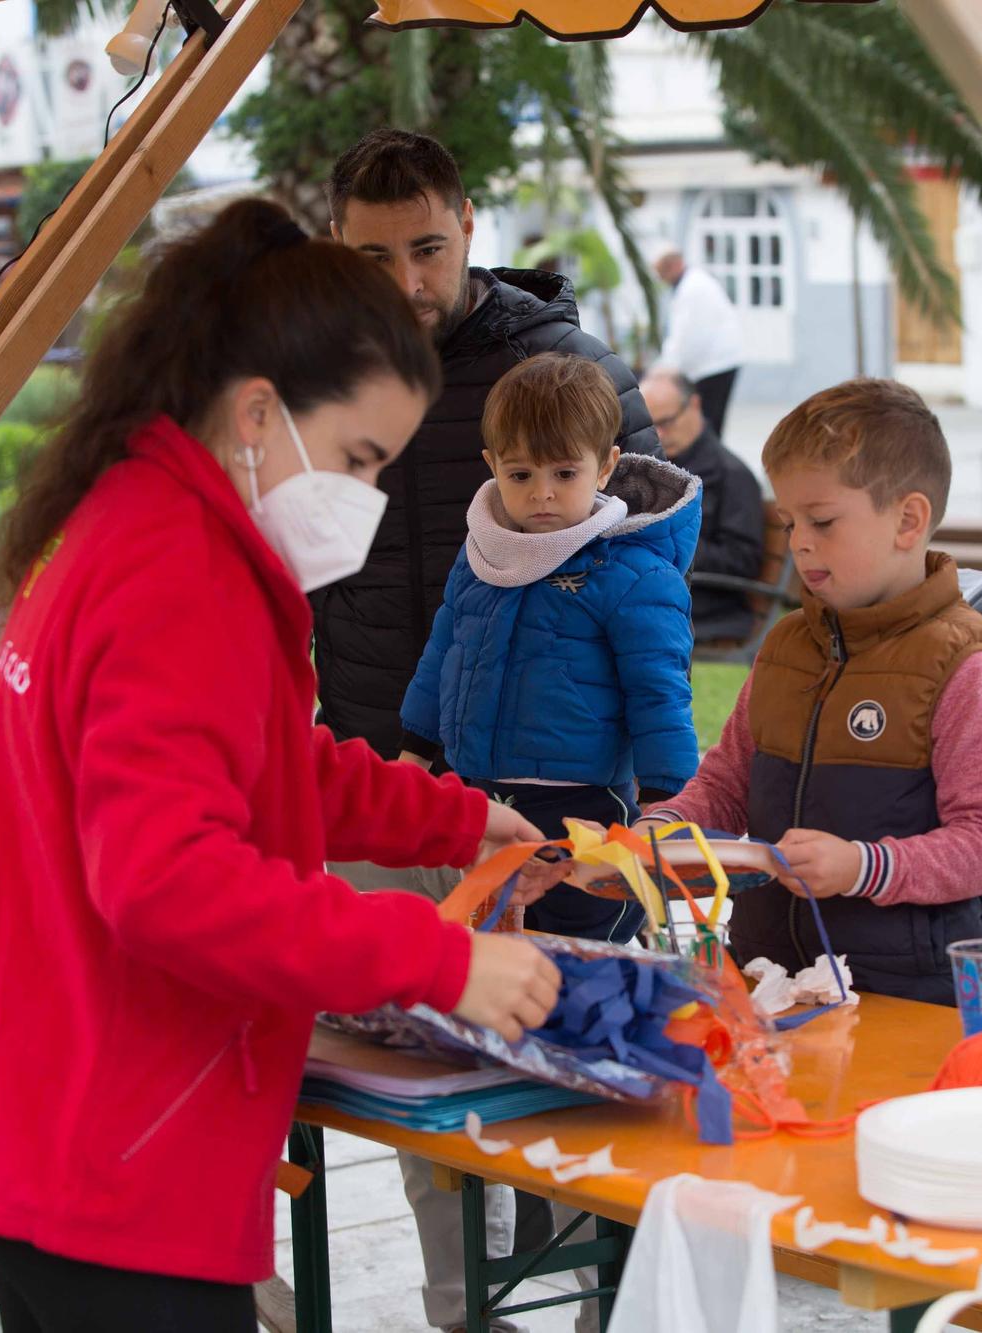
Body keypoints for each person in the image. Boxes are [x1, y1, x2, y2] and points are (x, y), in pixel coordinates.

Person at [0, 200, 559, 1333]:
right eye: (356, 457)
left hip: (54, 1120)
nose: (368, 493)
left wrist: (452, 820)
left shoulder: (147, 522)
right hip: (101, 1143)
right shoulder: (178, 569)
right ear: (257, 413)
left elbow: (257, 760)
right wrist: (433, 959)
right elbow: (169, 877)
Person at [321, 128, 657, 1331]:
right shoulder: (318, 370)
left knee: (568, 1064)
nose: (405, 280)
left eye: (425, 246)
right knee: (419, 1085)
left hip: (550, 797)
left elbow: (656, 557)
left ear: (468, 222)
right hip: (369, 774)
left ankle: (587, 1310)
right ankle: (464, 1314)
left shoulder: (562, 364)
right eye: (373, 255)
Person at [641, 379, 982, 1004]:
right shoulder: (788, 646)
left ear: (908, 520)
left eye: (821, 521)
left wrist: (862, 866)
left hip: (911, 995)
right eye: (790, 521)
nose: (798, 542)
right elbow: (728, 782)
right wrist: (661, 828)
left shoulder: (969, 669)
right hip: (775, 982)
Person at [401, 353, 700, 943]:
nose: (542, 494)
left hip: (584, 811)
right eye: (520, 476)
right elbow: (444, 649)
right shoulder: (481, 553)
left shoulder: (634, 572)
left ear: (607, 466)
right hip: (481, 799)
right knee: (494, 940)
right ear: (491, 467)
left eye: (565, 474)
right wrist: (415, 749)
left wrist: (668, 802)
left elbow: (659, 689)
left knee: (585, 947)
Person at [639, 368, 764, 643]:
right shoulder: (654, 467)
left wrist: (669, 541)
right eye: (651, 425)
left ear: (694, 405)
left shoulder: (731, 474)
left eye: (667, 422)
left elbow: (742, 560)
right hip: (662, 590)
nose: (659, 434)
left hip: (710, 604)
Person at [652, 250, 744, 437]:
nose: (661, 278)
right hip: (716, 362)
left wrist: (663, 370)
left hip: (714, 364)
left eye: (663, 272)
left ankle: (708, 463)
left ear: (675, 265)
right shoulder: (692, 283)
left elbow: (684, 336)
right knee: (709, 422)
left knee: (706, 424)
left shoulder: (692, 288)